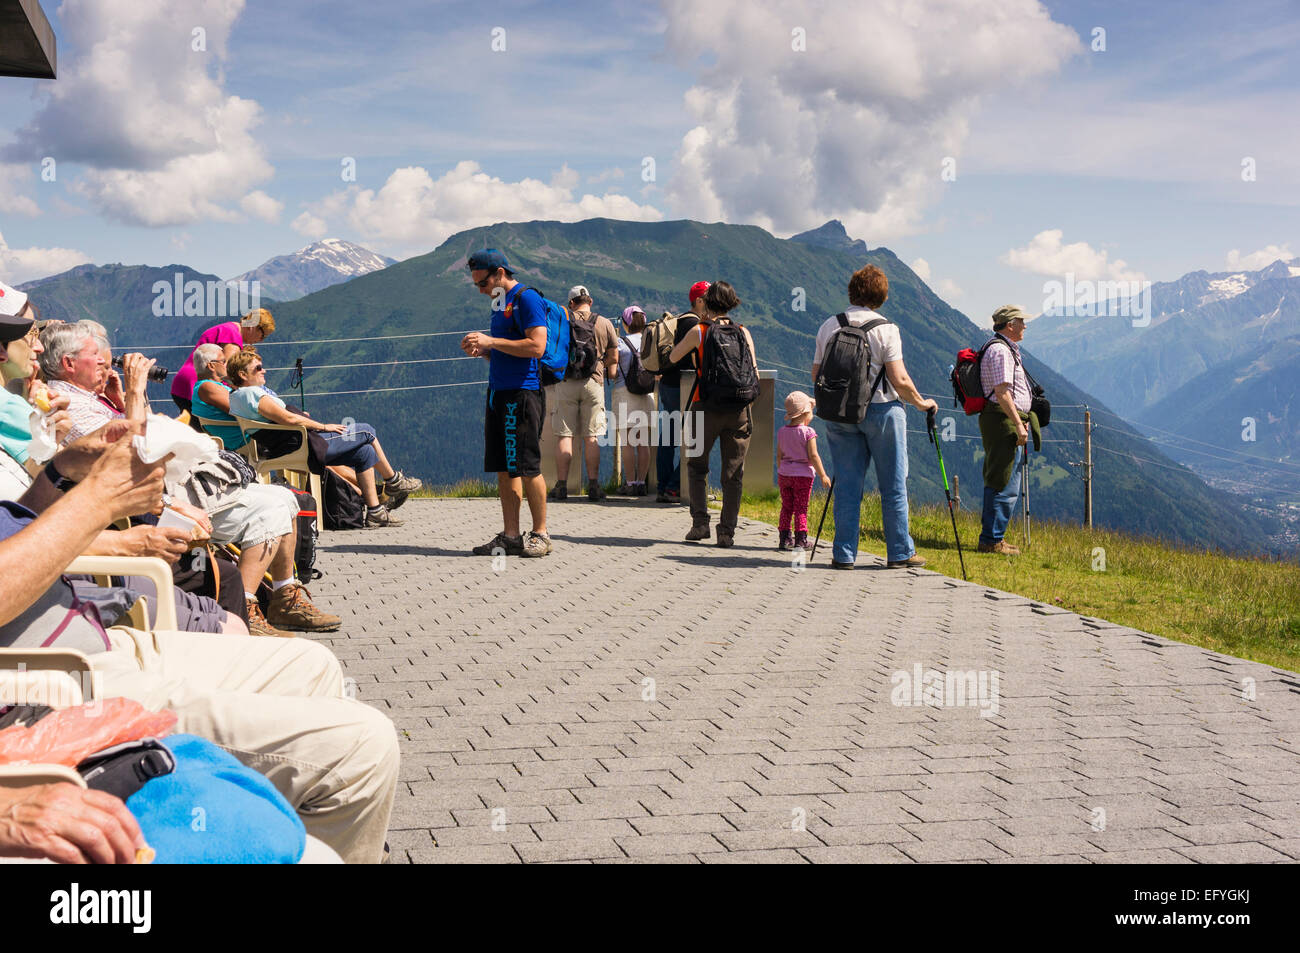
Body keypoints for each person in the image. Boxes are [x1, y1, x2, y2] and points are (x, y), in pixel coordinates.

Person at [0, 425, 399, 864]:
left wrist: (60, 472)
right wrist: (95, 501)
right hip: (47, 678)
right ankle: (289, 837)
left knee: (312, 663)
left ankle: (276, 829)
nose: (34, 350)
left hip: (95, 634)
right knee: (364, 746)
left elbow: (13, 531)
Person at [37, 322, 340, 636]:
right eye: (95, 356)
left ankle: (282, 594)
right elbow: (138, 453)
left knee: (285, 499)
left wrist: (121, 402)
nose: (104, 364)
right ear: (68, 364)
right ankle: (254, 605)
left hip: (169, 483)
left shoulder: (93, 399)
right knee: (275, 505)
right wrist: (135, 391)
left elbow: (148, 430)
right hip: (157, 496)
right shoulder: (69, 403)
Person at [811, 264, 937, 570]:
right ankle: (899, 552)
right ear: (881, 295)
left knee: (847, 485)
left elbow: (817, 374)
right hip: (881, 412)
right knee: (893, 484)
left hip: (840, 414)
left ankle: (843, 554)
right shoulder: (886, 329)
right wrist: (922, 404)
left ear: (852, 291)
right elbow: (900, 380)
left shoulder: (830, 325)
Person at [224, 348, 421, 527]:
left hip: (288, 443)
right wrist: (324, 426)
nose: (264, 370)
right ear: (243, 374)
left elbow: (281, 419)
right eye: (258, 368)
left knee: (364, 452)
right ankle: (394, 481)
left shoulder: (237, 396)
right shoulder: (252, 393)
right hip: (301, 444)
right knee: (367, 431)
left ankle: (375, 512)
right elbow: (288, 418)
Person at [460, 248, 551, 558]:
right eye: (476, 286)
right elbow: (508, 347)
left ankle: (540, 534)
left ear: (500, 273)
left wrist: (491, 342)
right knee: (504, 467)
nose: (481, 290)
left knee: (527, 466)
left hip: (522, 394)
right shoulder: (499, 303)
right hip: (498, 392)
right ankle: (511, 535)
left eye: (483, 283)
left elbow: (537, 345)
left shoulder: (526, 299)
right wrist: (484, 350)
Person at [667, 281, 756, 547]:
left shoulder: (699, 331)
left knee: (696, 467)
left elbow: (672, 357)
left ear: (706, 302)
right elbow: (752, 368)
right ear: (731, 303)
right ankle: (727, 531)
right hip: (739, 409)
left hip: (704, 407)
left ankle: (700, 524)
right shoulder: (743, 332)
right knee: (733, 473)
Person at [978, 305, 1041, 556]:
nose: (1025, 325)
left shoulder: (1002, 348)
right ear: (1009, 324)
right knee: (1002, 480)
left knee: (1005, 479)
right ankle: (991, 540)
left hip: (1004, 420)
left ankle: (995, 537)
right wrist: (1017, 423)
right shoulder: (1001, 351)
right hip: (1003, 421)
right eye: (1021, 321)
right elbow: (1002, 392)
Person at [546, 285, 617, 502]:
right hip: (593, 382)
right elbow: (613, 360)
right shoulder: (604, 323)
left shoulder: (563, 322)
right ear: (590, 301)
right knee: (591, 436)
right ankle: (594, 486)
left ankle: (562, 486)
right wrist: (603, 369)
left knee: (564, 435)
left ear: (571, 303)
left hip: (566, 382)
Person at [655, 282, 708, 503]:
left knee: (668, 438)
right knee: (695, 438)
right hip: (683, 387)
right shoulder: (693, 324)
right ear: (699, 301)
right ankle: (676, 486)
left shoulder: (680, 320)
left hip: (668, 384)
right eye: (709, 298)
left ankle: (664, 486)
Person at [170, 308, 274, 417]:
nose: (261, 340)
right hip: (199, 386)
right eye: (263, 335)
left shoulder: (228, 327)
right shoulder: (233, 337)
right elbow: (229, 373)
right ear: (253, 327)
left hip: (185, 382)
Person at [610, 305, 656, 495]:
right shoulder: (649, 343)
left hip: (624, 392)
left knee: (628, 442)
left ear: (626, 323)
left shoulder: (620, 344)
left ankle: (629, 483)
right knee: (643, 442)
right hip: (646, 393)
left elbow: (613, 371)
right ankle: (641, 483)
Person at [776, 391, 829, 551]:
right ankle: (801, 539)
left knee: (786, 506)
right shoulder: (808, 432)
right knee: (801, 508)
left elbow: (779, 455)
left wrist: (782, 469)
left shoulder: (782, 431)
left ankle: (784, 539)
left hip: (784, 474)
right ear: (806, 413)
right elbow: (813, 455)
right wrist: (823, 475)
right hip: (803, 475)